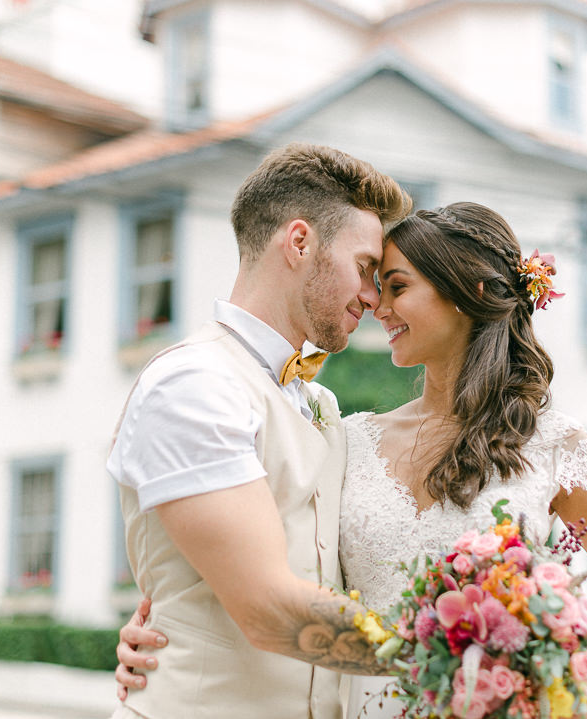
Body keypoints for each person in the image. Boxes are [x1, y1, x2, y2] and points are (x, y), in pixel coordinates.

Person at [117, 203, 587, 719]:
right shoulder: (345, 438)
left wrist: (578, 678)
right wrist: (168, 618)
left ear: (466, 292)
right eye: (376, 286)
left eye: (397, 287)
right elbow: (284, 563)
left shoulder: (556, 444)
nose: (376, 307)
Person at [106, 142, 412, 719]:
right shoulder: (193, 384)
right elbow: (267, 608)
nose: (373, 298)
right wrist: (464, 652)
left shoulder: (317, 400)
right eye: (366, 269)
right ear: (299, 242)